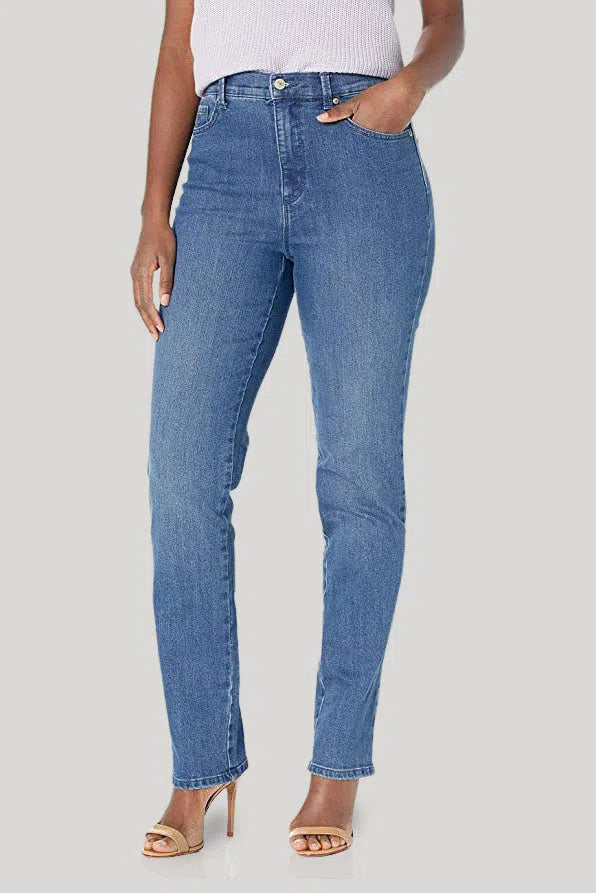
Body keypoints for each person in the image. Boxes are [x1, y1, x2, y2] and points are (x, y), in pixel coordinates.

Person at [132, 0, 464, 859]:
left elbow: (447, 22)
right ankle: (200, 765)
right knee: (182, 471)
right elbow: (179, 50)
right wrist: (153, 211)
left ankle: (336, 767)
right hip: (223, 162)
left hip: (361, 151)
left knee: (359, 475)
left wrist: (408, 87)